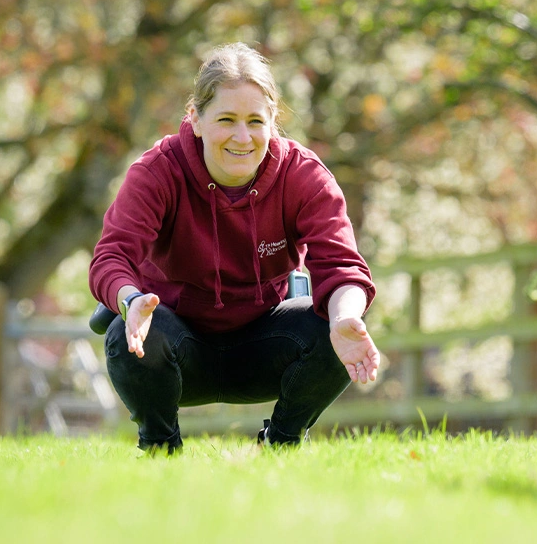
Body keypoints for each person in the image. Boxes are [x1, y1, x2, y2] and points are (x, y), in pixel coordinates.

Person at [88, 42, 379, 453]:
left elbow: (343, 266)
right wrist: (130, 299)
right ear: (196, 119)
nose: (242, 137)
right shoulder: (157, 172)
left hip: (265, 343)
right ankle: (160, 448)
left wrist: (344, 316)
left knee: (333, 330)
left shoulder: (303, 176)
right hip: (176, 345)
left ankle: (281, 445)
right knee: (129, 332)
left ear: (273, 121)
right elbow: (111, 256)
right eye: (226, 119)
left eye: (255, 121)